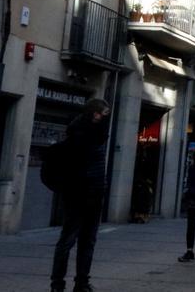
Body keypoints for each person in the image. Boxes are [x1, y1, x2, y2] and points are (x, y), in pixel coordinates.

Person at [50, 98, 111, 292]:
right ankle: (58, 283)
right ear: (93, 112)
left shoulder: (99, 134)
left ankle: (81, 282)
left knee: (88, 240)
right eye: (102, 113)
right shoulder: (78, 133)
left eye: (105, 114)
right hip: (77, 194)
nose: (103, 117)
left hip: (95, 193)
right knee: (68, 239)